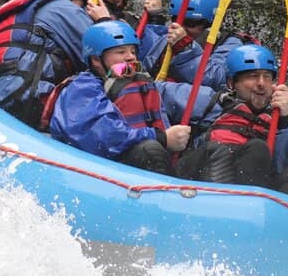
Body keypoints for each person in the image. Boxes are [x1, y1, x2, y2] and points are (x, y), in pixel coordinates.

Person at [47, 21, 191, 175]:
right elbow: (106, 136)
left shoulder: (139, 81)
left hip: (143, 162)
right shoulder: (82, 88)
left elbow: (174, 95)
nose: (130, 57)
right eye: (121, 52)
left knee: (211, 150)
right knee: (150, 150)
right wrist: (162, 138)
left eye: (132, 51)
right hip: (105, 168)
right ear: (96, 60)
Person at [180, 44, 288, 200]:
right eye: (252, 76)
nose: (261, 83)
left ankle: (269, 219)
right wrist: (167, 137)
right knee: (255, 147)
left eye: (267, 76)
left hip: (254, 195)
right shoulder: (208, 101)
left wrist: (285, 120)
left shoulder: (280, 119)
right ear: (232, 83)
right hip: (202, 183)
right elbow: (157, 92)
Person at [0, 0, 105, 128]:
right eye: (81, 4)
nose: (84, 10)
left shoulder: (19, 14)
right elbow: (107, 54)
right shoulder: (62, 7)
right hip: (24, 100)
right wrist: (103, 20)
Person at [164, 0, 254, 90]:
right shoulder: (172, 32)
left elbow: (216, 80)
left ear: (211, 24)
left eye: (190, 23)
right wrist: (154, 19)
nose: (181, 28)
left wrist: (186, 47)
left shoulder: (232, 44)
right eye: (176, 19)